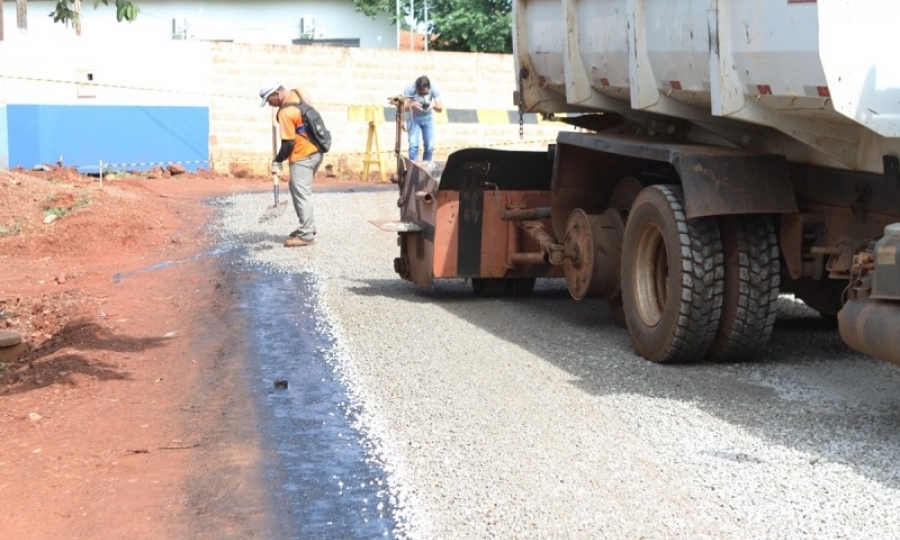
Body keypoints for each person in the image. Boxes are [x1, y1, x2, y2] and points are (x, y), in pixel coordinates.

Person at [259, 83, 323, 247]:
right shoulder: (299, 92)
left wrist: (277, 161)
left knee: (301, 192)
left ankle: (306, 234)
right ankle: (307, 226)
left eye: (269, 100)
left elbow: (288, 144)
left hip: (303, 156)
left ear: (277, 94)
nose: (269, 104)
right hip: (316, 151)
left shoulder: (286, 112)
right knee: (299, 189)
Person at [403, 75, 443, 162]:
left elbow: (440, 108)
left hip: (427, 119)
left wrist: (433, 105)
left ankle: (426, 168)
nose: (422, 95)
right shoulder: (410, 88)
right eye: (420, 93)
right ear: (416, 88)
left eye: (425, 93)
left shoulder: (434, 88)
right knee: (413, 145)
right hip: (413, 118)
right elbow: (402, 108)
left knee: (429, 146)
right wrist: (412, 105)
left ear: (429, 88)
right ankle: (414, 169)